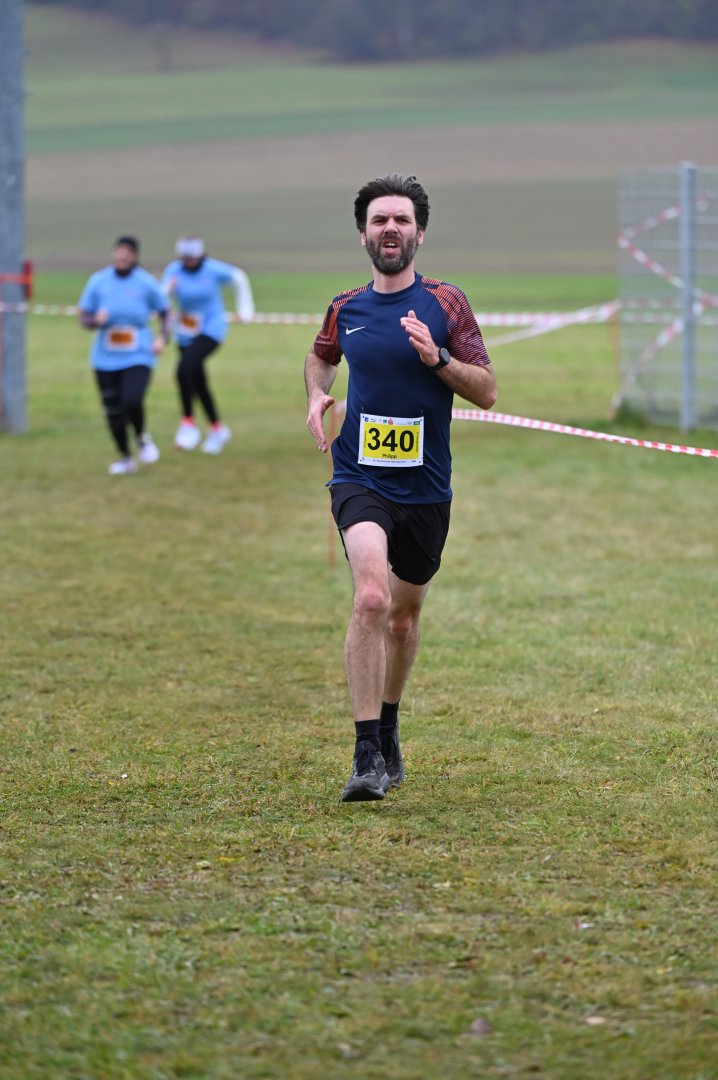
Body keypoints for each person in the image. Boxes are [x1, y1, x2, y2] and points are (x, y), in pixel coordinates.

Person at [304, 174, 497, 802]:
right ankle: (365, 756)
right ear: (363, 235)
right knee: (370, 597)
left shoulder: (447, 303)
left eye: (402, 220)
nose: (391, 228)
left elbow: (487, 391)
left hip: (426, 488)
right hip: (359, 476)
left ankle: (388, 725)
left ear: (419, 234)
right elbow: (321, 354)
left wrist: (437, 359)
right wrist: (316, 394)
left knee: (404, 620)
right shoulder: (346, 307)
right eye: (380, 220)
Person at [78, 236, 169, 476]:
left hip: (138, 354)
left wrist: (162, 337)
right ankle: (125, 457)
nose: (122, 256)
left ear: (135, 256)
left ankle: (141, 437)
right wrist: (94, 320)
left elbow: (165, 312)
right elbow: (84, 317)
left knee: (131, 400)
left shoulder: (146, 282)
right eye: (119, 251)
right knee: (112, 410)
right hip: (105, 357)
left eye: (127, 252)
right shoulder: (98, 281)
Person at [161, 237, 255, 455]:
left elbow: (239, 278)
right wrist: (168, 289)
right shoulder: (174, 270)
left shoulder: (212, 270)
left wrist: (245, 310)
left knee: (183, 370)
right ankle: (217, 429)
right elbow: (160, 297)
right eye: (184, 258)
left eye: (192, 258)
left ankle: (188, 424)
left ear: (200, 256)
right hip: (185, 332)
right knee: (198, 382)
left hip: (211, 329)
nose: (188, 262)